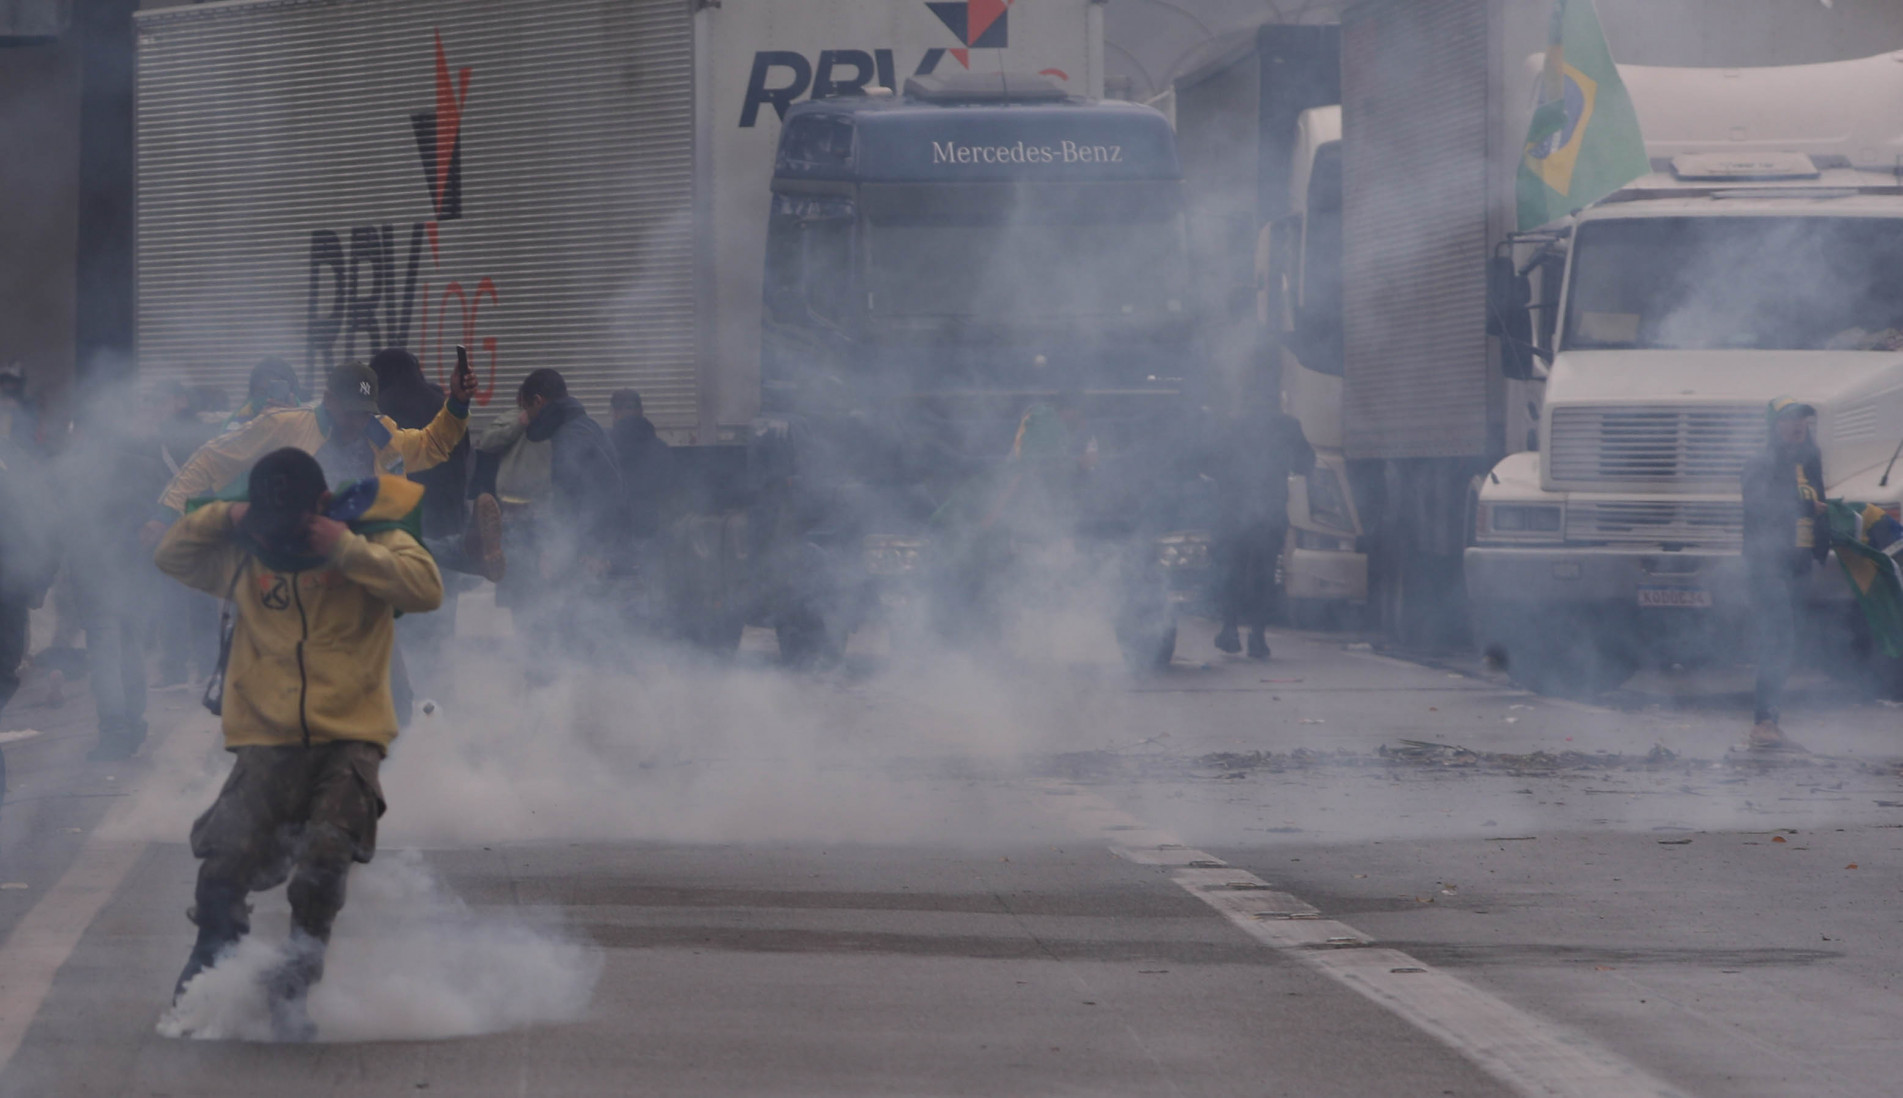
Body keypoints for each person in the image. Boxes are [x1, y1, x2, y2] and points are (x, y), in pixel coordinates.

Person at [156, 448, 443, 1040]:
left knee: (323, 861)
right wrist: (227, 517)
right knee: (224, 862)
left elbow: (424, 589)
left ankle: (292, 988)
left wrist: (342, 545)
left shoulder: (372, 538)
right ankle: (209, 969)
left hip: (352, 736)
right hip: (266, 738)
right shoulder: (246, 552)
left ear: (321, 503)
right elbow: (171, 555)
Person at [63, 390, 171, 759]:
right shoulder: (145, 466)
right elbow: (172, 508)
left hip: (95, 573)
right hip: (137, 573)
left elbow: (55, 526)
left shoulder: (73, 470)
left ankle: (114, 729)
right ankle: (134, 719)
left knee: (107, 651)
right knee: (131, 645)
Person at [515, 370, 621, 665]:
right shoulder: (584, 427)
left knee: (574, 633)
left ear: (539, 401)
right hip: (591, 547)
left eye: (526, 409)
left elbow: (588, 496)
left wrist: (589, 547)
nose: (525, 418)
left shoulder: (570, 436)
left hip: (587, 552)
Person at [1740, 397, 1827, 751]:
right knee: (1778, 638)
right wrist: (1806, 504)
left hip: (1798, 562)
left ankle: (1771, 721)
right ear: (1774, 427)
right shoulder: (1760, 463)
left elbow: (1818, 507)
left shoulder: (1811, 462)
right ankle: (1763, 723)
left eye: (1803, 420)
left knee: (1788, 642)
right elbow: (1759, 507)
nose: (1798, 426)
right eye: (1790, 420)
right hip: (1767, 563)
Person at [1209, 390, 1314, 660]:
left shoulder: (1229, 426)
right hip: (1270, 512)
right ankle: (1257, 637)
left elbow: (1211, 464)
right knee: (1263, 574)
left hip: (1232, 512)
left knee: (1231, 571)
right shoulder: (1287, 425)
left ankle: (1230, 630)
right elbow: (1306, 464)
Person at [609, 389, 673, 541]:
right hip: (655, 529)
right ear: (641, 411)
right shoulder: (661, 448)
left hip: (616, 532)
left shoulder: (605, 447)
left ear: (614, 413)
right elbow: (670, 490)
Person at [221, 357, 303, 431]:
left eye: (275, 392)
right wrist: (258, 424)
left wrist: (294, 421)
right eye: (262, 393)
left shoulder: (307, 420)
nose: (269, 399)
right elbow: (226, 444)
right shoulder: (240, 418)